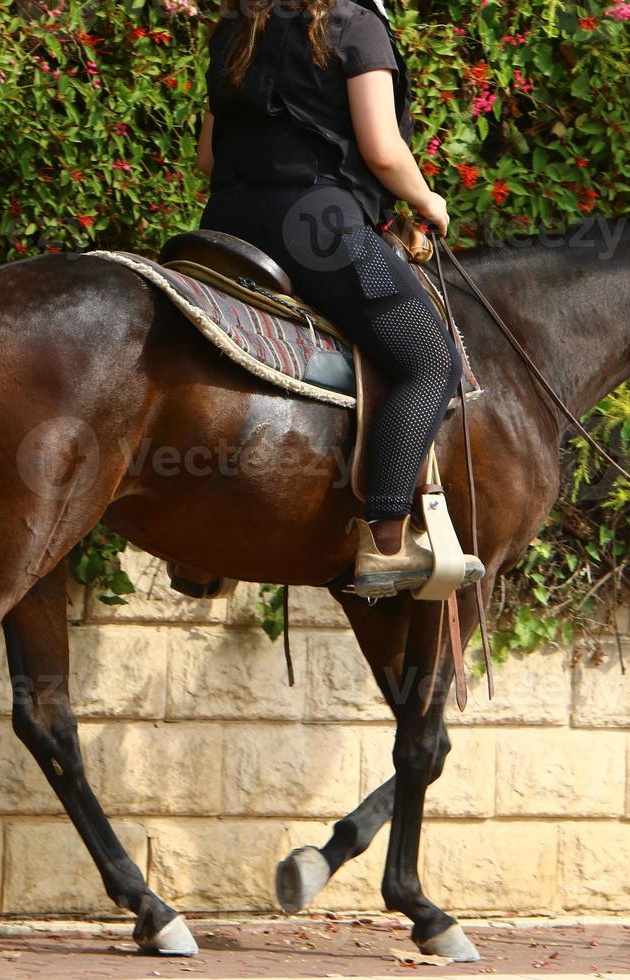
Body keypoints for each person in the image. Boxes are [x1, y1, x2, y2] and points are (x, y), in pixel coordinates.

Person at [196, 0, 482, 598]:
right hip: (316, 227)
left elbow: (207, 159)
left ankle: (199, 544)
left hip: (223, 224)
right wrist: (430, 204)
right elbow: (382, 150)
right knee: (430, 358)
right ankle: (386, 543)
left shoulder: (235, 27)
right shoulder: (353, 26)